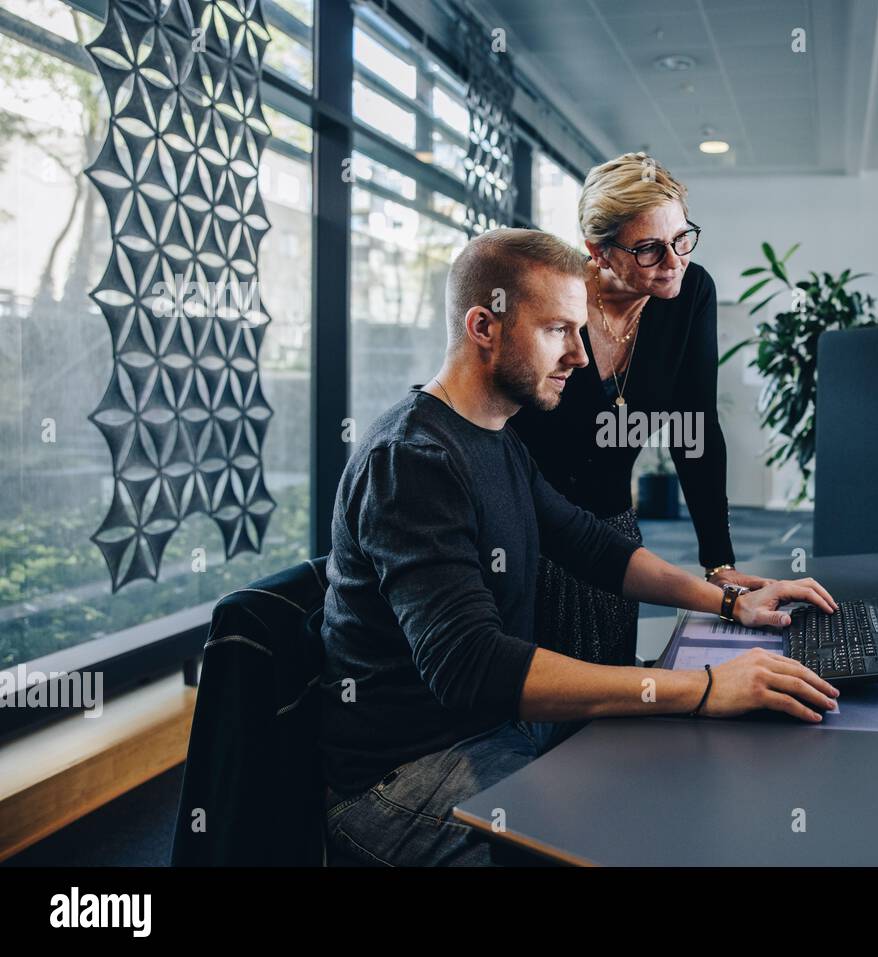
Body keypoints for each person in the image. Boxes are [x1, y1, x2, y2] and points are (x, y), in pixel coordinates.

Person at [318, 228, 840, 866]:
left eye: (579, 330)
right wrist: (702, 686)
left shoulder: (497, 436)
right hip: (409, 773)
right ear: (485, 326)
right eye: (558, 331)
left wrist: (732, 601)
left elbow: (594, 548)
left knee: (681, 766)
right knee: (638, 834)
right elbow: (471, 665)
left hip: (498, 730)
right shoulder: (412, 460)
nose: (581, 356)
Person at [512, 152, 770, 668]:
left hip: (613, 534)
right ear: (599, 252)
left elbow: (693, 427)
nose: (674, 261)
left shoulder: (690, 292)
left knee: (613, 691)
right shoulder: (551, 300)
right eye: (650, 249)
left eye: (681, 239)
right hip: (528, 534)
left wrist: (718, 562)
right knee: (536, 704)